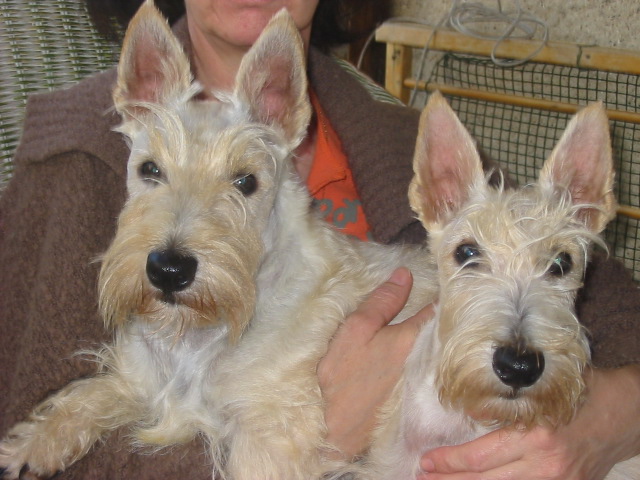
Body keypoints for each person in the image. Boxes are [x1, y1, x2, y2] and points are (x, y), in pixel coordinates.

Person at [0, 1, 638, 479]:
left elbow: (596, 297)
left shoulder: (411, 136)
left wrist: (609, 414)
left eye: (243, 182)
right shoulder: (71, 155)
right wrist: (325, 433)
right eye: (154, 173)